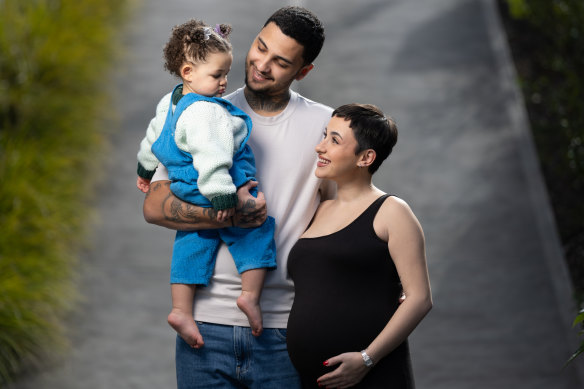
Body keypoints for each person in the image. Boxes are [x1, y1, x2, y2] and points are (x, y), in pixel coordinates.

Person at [142, 7, 334, 388]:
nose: (262, 64)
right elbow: (153, 206)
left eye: (280, 61)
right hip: (205, 327)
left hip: (284, 329)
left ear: (303, 71)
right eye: (260, 47)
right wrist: (233, 215)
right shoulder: (202, 110)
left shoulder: (327, 128)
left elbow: (344, 216)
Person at [135, 19, 277, 349]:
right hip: (213, 185)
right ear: (188, 71)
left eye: (225, 74)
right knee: (256, 229)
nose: (224, 82)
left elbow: (152, 139)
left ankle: (181, 310)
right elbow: (213, 158)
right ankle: (250, 296)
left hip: (183, 184)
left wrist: (145, 169)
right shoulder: (206, 112)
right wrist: (224, 198)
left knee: (193, 240)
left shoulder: (169, 102)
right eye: (217, 75)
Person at [286, 103, 433, 388]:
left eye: (334, 140)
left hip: (375, 377)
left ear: (365, 157)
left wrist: (367, 359)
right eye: (324, 135)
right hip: (312, 380)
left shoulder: (392, 211)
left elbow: (419, 299)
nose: (320, 147)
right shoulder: (318, 208)